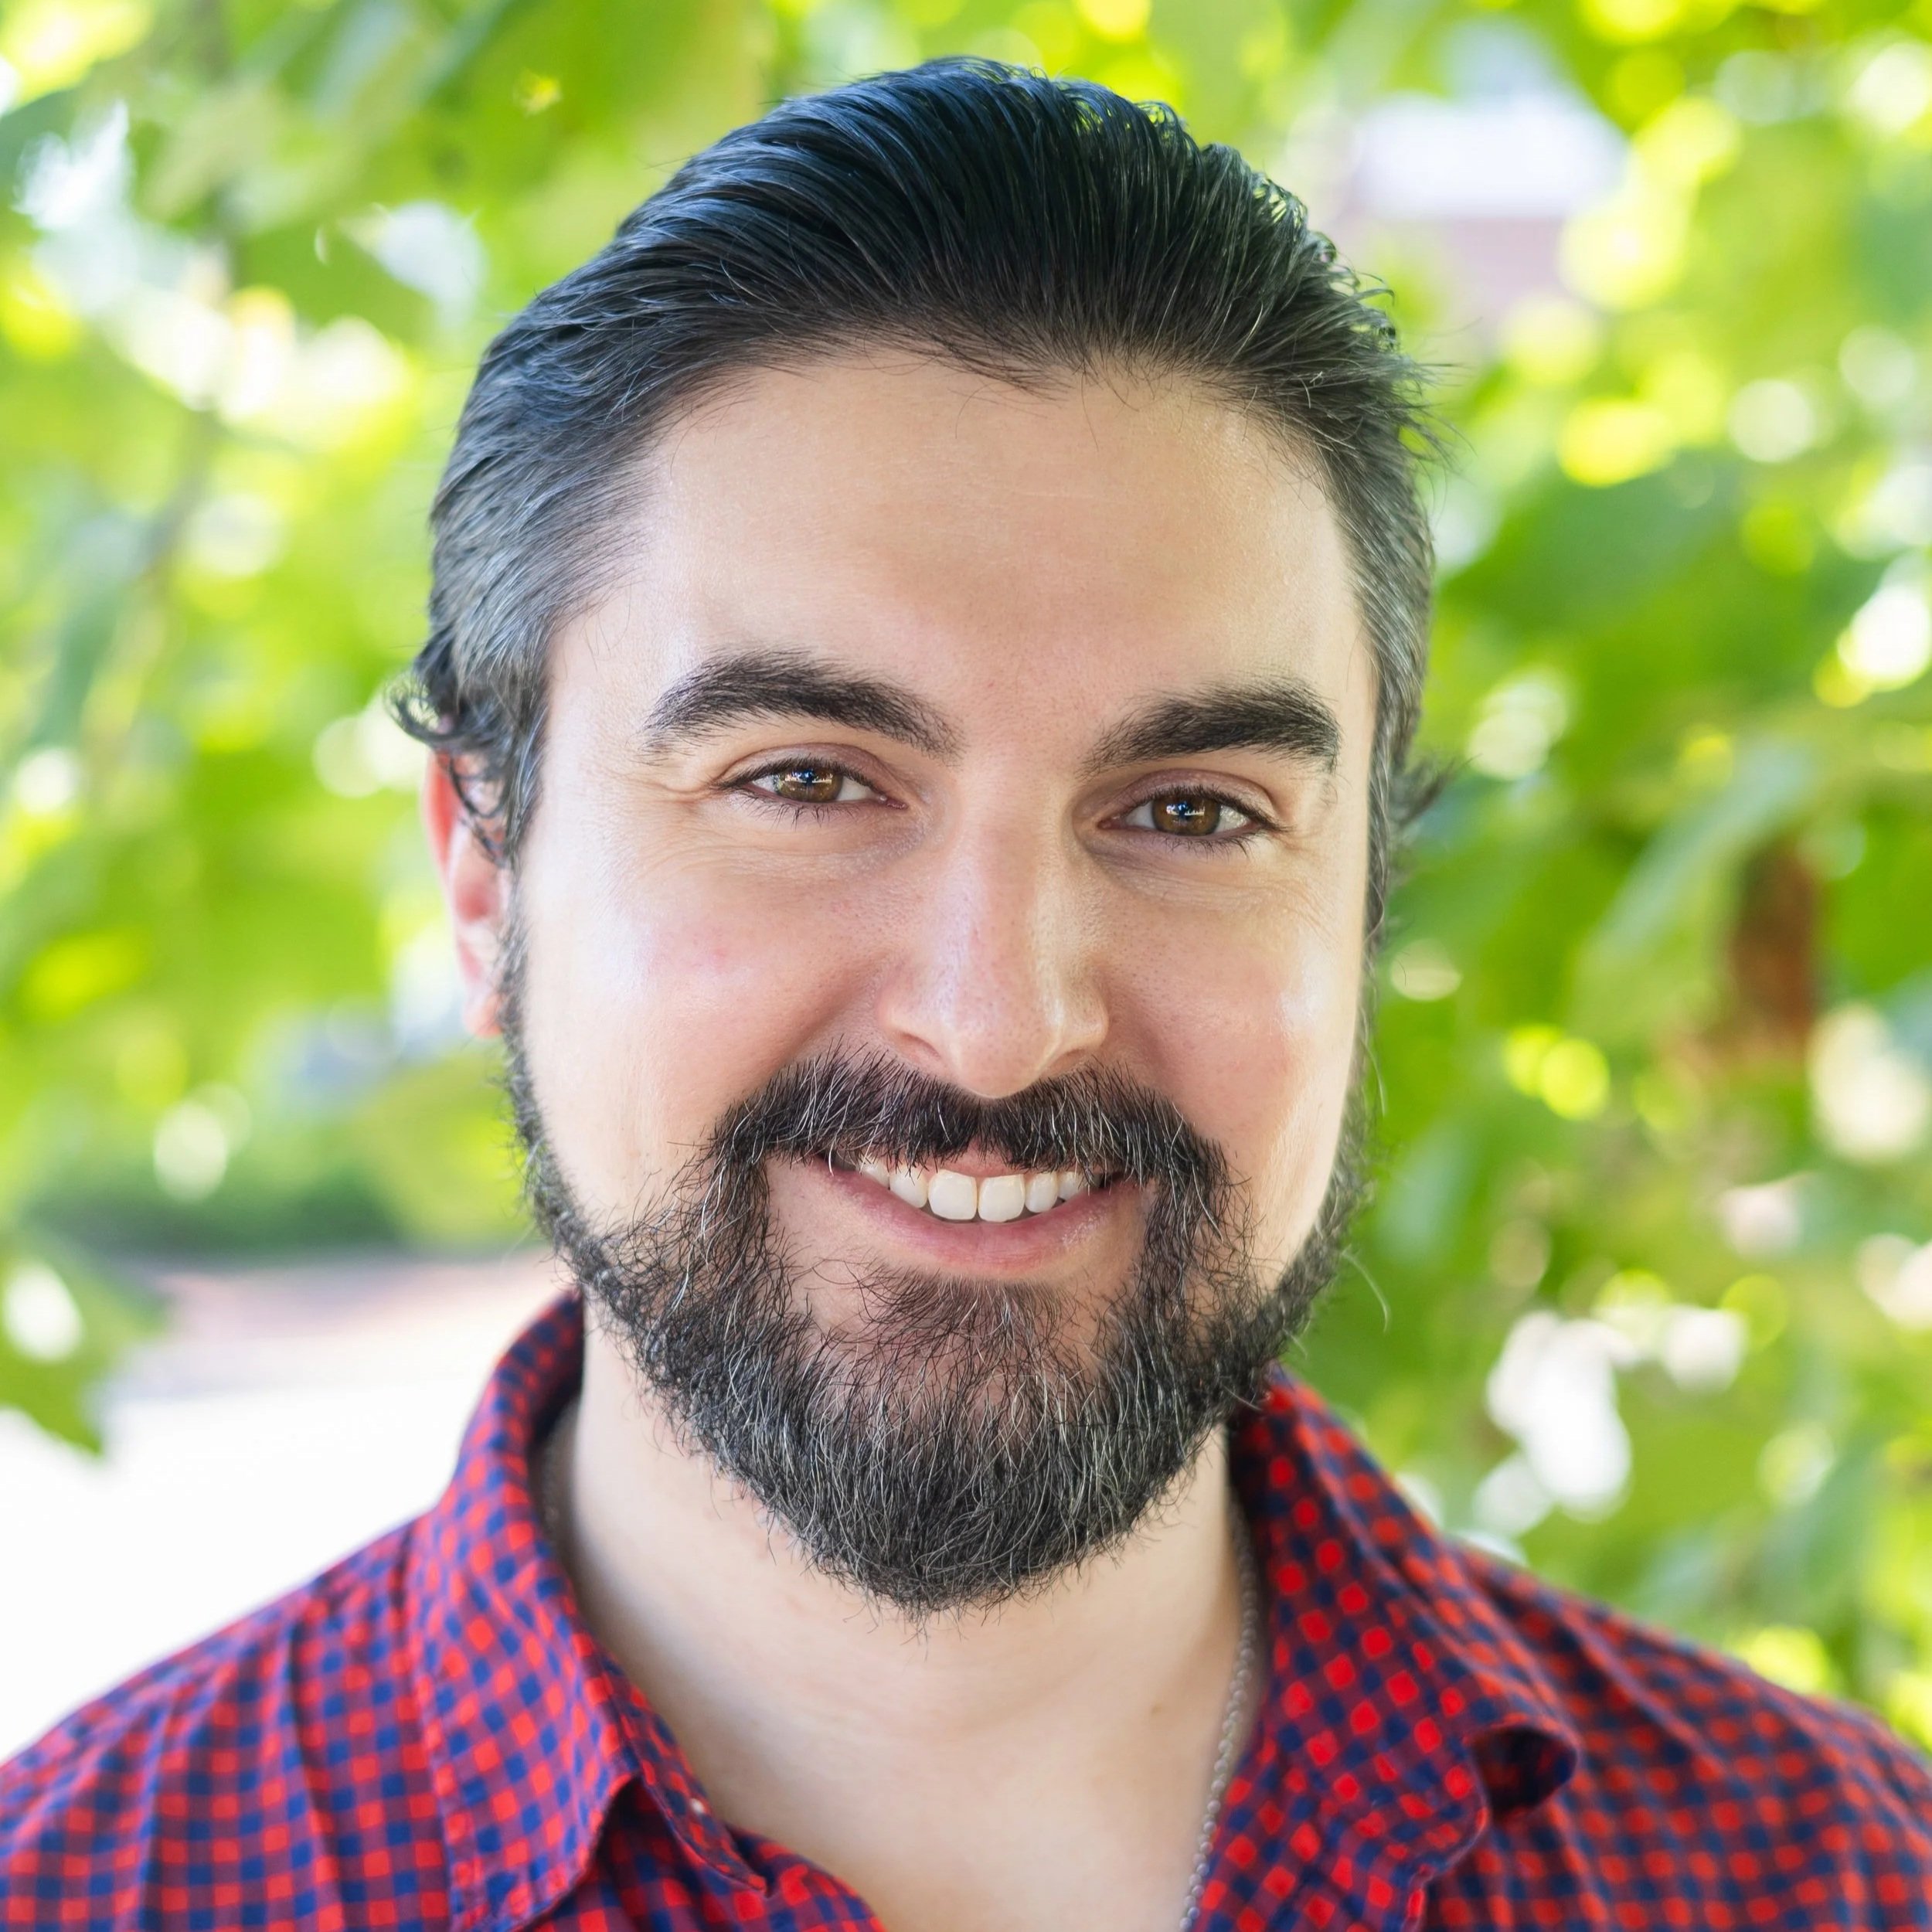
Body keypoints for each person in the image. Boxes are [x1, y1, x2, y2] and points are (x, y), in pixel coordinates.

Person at [3, 58, 1928, 1932]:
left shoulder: (1851, 1878)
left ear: (1362, 897)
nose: (997, 1021)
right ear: (485, 873)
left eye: (1190, 808)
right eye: (805, 780)